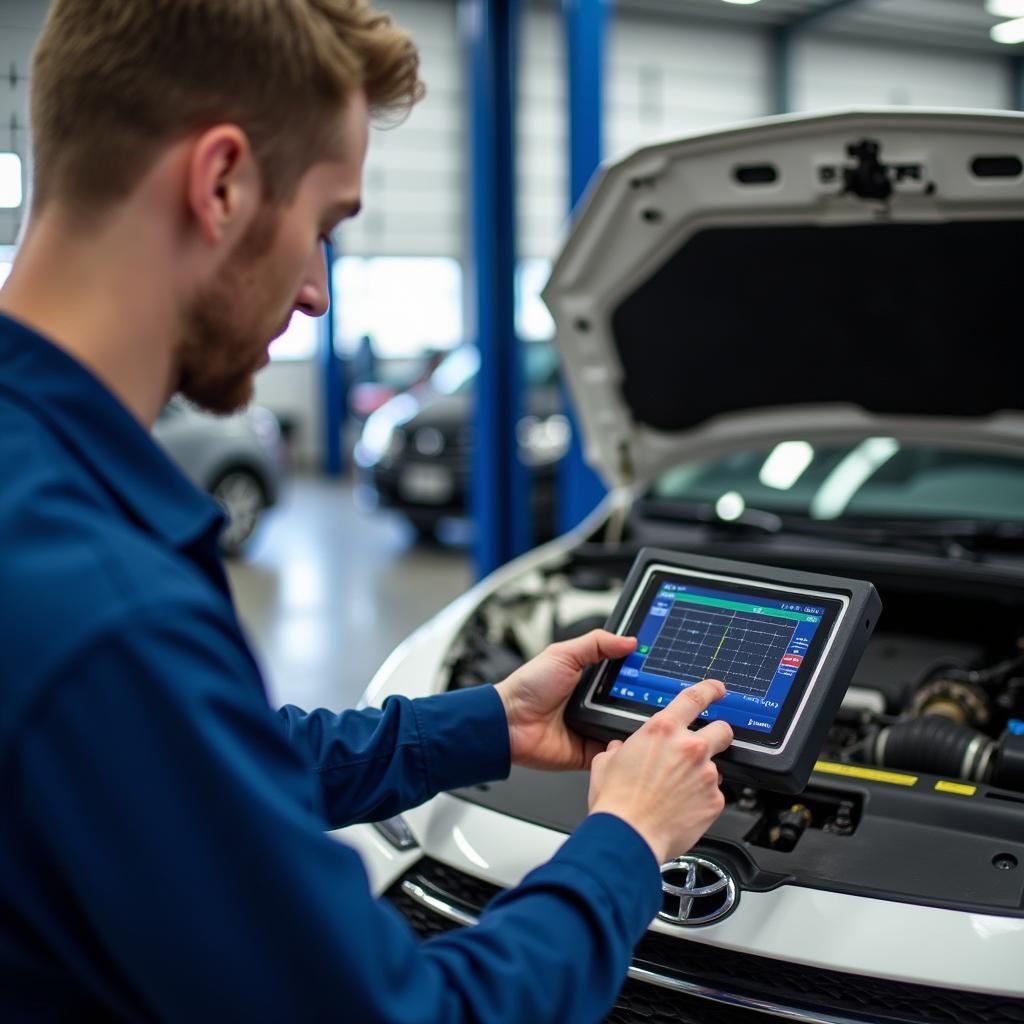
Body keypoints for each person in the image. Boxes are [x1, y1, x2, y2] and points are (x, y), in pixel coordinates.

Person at [0, 1, 733, 1021]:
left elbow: (201, 774)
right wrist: (629, 840)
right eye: (324, 228)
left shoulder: (40, 491)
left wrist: (485, 723)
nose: (315, 294)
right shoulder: (105, 602)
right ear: (219, 184)